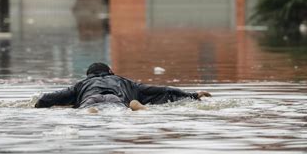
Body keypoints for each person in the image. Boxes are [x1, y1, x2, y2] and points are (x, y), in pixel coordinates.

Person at [35, 62, 211, 111]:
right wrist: (193, 95)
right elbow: (163, 90)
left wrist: (37, 105)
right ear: (110, 72)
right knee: (123, 109)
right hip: (117, 99)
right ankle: (137, 107)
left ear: (88, 75)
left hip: (90, 100)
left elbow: (47, 98)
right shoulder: (125, 82)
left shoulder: (81, 84)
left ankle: (91, 113)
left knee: (89, 111)